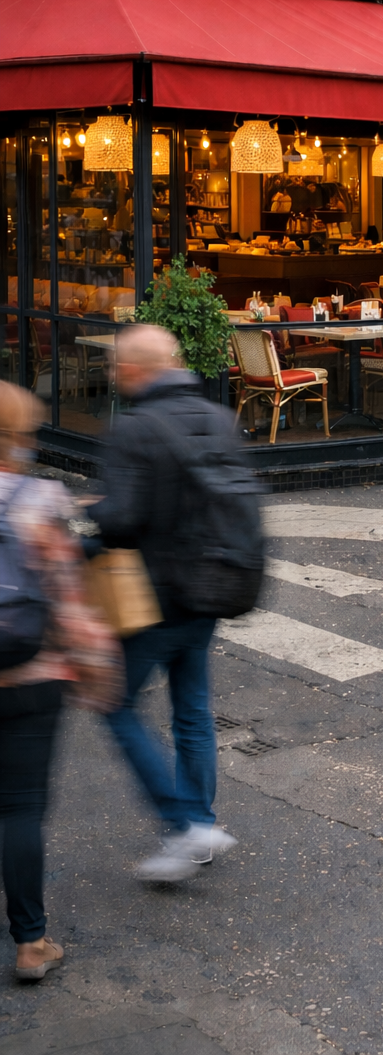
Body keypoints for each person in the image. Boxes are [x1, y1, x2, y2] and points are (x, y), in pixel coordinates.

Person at [87, 325, 240, 883]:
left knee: (114, 703)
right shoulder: (218, 418)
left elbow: (123, 522)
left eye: (116, 366)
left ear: (137, 369)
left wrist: (93, 517)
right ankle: (200, 818)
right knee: (192, 711)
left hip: (153, 597)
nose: (112, 375)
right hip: (211, 587)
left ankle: (185, 824)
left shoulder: (135, 429)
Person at [0, 385, 121, 978]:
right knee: (20, 809)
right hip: (34, 674)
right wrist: (97, 667)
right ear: (20, 438)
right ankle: (30, 944)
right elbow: (70, 601)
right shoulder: (41, 499)